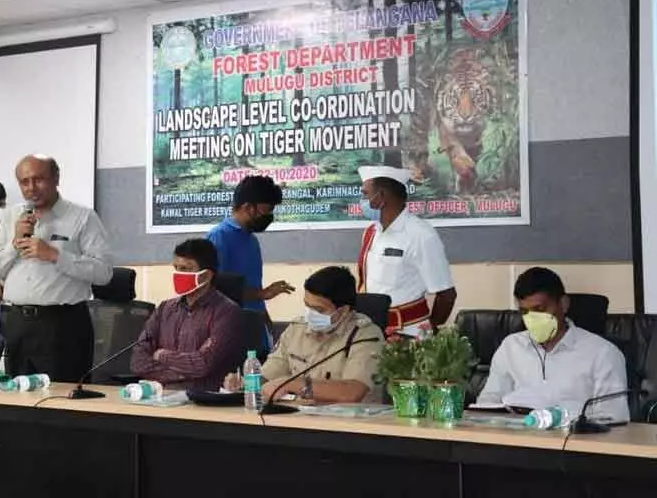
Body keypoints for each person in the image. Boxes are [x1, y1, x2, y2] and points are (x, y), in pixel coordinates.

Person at [0, 155, 112, 382]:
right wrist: (14, 243)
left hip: (63, 325)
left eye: (38, 179)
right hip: (18, 323)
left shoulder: (82, 217)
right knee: (17, 402)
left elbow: (104, 272)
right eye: (24, 182)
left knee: (61, 403)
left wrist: (55, 255)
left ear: (56, 178)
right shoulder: (11, 217)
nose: (31, 188)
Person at [478, 267, 630, 422]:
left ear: (563, 304)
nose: (532, 318)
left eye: (540, 309)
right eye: (524, 312)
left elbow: (614, 418)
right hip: (514, 439)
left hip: (573, 442)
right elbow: (487, 403)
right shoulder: (510, 347)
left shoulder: (602, 353)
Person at [225, 266, 383, 403]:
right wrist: (246, 382)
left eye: (319, 310)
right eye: (308, 306)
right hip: (298, 421)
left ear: (343, 311)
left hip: (350, 427)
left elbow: (352, 392)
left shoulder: (367, 335)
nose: (310, 315)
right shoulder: (296, 329)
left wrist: (294, 384)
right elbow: (269, 375)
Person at [130, 239, 242, 391]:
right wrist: (184, 373)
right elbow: (138, 361)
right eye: (176, 268)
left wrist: (162, 355)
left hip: (203, 401)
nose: (178, 274)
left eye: (185, 269)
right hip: (161, 397)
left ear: (206, 276)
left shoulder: (227, 312)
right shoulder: (165, 309)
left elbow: (203, 365)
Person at [357, 166, 456, 336]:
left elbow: (446, 295)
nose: (362, 200)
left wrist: (429, 329)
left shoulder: (421, 235)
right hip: (374, 331)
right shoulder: (371, 232)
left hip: (409, 333)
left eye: (365, 194)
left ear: (381, 197)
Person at [207, 175, 293, 347]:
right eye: (266, 211)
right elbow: (216, 288)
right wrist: (263, 294)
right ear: (247, 207)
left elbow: (253, 285)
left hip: (255, 327)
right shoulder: (219, 236)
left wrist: (265, 319)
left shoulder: (251, 240)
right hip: (230, 330)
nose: (269, 216)